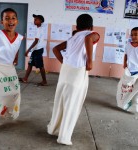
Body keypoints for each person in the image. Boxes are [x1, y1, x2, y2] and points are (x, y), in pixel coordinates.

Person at [47, 14, 100, 145]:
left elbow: (55, 49)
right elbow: (89, 38)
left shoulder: (73, 37)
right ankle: (64, 137)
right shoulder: (93, 34)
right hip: (77, 72)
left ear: (77, 26)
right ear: (91, 26)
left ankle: (54, 129)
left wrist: (64, 62)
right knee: (72, 105)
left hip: (66, 71)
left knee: (60, 102)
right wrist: (90, 61)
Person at [0, 8, 23, 127]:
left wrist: (16, 58)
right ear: (2, 21)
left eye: (13, 18)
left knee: (15, 92)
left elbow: (16, 47)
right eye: (6, 18)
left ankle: (5, 110)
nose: (10, 21)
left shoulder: (19, 37)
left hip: (9, 68)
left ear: (17, 21)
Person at [19, 14, 47, 86]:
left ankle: (44, 81)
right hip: (35, 50)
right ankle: (25, 78)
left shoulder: (40, 29)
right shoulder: (38, 29)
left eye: (36, 19)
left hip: (38, 50)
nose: (34, 20)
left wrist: (28, 50)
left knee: (40, 66)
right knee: (30, 64)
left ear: (40, 21)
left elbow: (36, 41)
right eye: (34, 19)